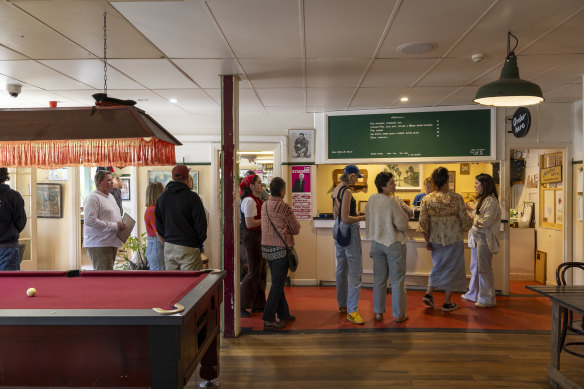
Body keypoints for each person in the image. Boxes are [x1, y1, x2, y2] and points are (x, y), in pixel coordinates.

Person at [418, 167, 473, 312]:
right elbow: (465, 220)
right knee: (452, 269)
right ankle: (447, 302)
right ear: (447, 180)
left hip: (434, 238)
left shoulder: (427, 199)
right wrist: (471, 219)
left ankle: (429, 292)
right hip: (453, 238)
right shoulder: (456, 198)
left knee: (438, 266)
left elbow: (423, 223)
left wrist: (426, 240)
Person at [366, 172, 409, 322]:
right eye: (391, 183)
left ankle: (378, 312)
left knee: (379, 280)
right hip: (393, 243)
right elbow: (402, 224)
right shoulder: (391, 202)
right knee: (397, 281)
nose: (394, 185)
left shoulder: (371, 199)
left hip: (376, 244)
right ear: (383, 186)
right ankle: (399, 315)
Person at [261, 177, 300, 330]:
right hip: (280, 250)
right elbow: (295, 229)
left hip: (266, 249)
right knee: (277, 285)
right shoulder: (284, 207)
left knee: (278, 282)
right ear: (283, 191)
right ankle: (268, 319)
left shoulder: (264, 205)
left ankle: (284, 314)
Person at [332, 164, 367, 324]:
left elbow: (338, 215)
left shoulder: (337, 188)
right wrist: (361, 218)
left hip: (338, 230)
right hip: (349, 231)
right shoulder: (346, 191)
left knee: (341, 268)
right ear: (351, 175)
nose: (356, 179)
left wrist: (354, 213)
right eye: (356, 176)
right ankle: (352, 310)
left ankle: (343, 305)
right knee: (355, 271)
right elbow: (346, 218)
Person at [155, 164, 207, 271]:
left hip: (169, 247)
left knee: (174, 284)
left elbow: (159, 226)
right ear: (187, 178)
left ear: (173, 178)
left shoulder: (162, 198)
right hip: (189, 247)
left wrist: (168, 240)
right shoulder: (192, 197)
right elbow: (201, 224)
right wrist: (197, 243)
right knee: (191, 285)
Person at [462, 173, 501, 308]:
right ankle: (474, 293)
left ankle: (488, 298)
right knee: (476, 267)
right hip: (478, 236)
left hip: (484, 237)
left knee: (484, 268)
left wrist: (471, 215)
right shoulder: (484, 199)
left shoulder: (491, 201)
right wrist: (472, 210)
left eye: (477, 183)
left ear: (484, 185)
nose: (475, 185)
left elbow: (485, 221)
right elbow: (480, 213)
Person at [83, 170, 126, 270]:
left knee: (109, 276)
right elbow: (90, 220)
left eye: (112, 180)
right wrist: (115, 226)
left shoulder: (110, 196)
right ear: (99, 182)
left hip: (110, 242)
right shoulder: (93, 198)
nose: (112, 182)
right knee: (104, 277)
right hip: (99, 243)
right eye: (109, 180)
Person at [239, 174, 267, 317]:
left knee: (261, 271)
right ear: (251, 186)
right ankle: (242, 304)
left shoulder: (256, 199)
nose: (261, 185)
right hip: (252, 238)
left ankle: (259, 304)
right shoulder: (250, 201)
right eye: (259, 183)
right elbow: (250, 224)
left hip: (257, 237)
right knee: (254, 271)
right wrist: (266, 219)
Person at [0, 168, 26, 271]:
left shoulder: (14, 196)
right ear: (5, 176)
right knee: (10, 284)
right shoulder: (14, 196)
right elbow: (21, 222)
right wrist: (10, 231)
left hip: (8, 246)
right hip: (8, 246)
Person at [144, 182, 165, 271]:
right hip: (157, 245)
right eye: (163, 192)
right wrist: (169, 247)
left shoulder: (151, 208)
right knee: (160, 278)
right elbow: (158, 233)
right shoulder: (153, 210)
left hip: (154, 245)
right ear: (158, 193)